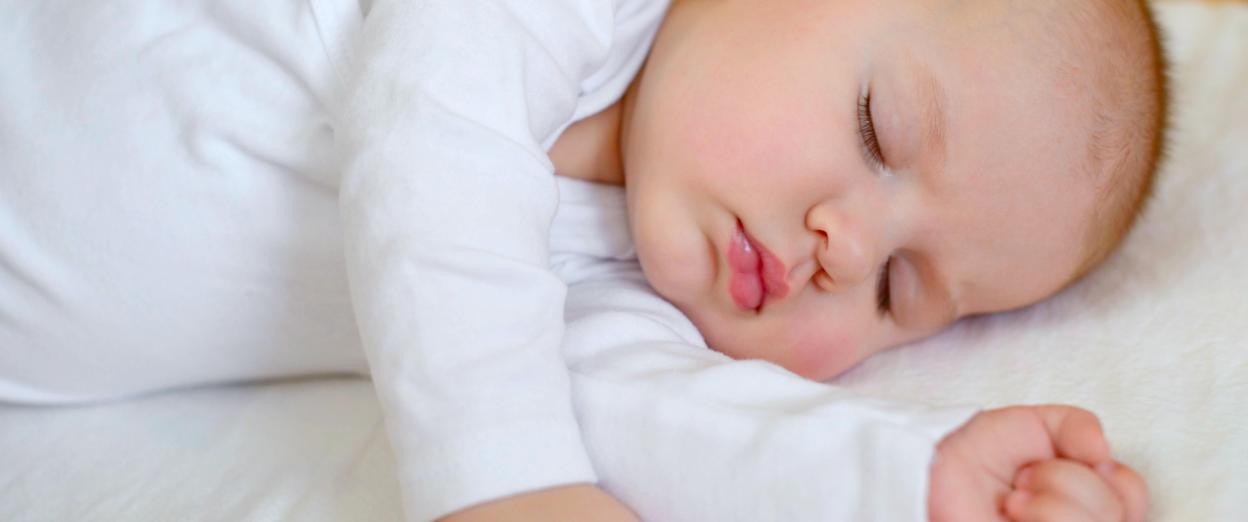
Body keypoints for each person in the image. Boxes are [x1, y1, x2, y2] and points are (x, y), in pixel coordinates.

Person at [0, 0, 1165, 520]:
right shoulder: (574, 15)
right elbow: (430, 130)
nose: (842, 247)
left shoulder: (623, 295)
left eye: (899, 292)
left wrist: (919, 481)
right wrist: (499, 481)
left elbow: (655, 426)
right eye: (876, 128)